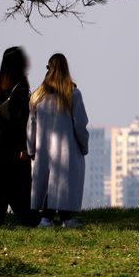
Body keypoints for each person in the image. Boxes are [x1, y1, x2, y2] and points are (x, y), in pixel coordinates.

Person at [28, 53, 89, 228]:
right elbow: (80, 124)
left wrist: (31, 149)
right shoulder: (73, 94)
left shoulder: (37, 97)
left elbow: (31, 125)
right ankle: (64, 219)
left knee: (48, 183)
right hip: (66, 149)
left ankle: (48, 218)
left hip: (44, 150)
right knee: (62, 184)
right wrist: (83, 145)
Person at [0, 46, 36, 226]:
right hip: (12, 143)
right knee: (19, 182)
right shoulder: (20, 89)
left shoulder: (2, 86)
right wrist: (24, 147)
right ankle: (27, 217)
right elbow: (21, 121)